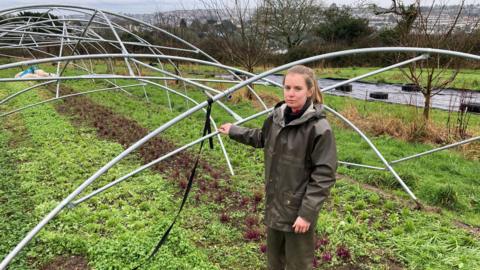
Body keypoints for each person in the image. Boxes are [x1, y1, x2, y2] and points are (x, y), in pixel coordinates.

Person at [218, 65, 337, 269]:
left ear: (310, 90)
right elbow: (261, 137)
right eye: (287, 87)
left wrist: (306, 214)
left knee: (298, 264)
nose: (290, 93)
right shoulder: (277, 118)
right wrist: (234, 130)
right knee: (274, 261)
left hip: (297, 210)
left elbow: (324, 175)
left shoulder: (318, 129)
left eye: (297, 88)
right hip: (275, 205)